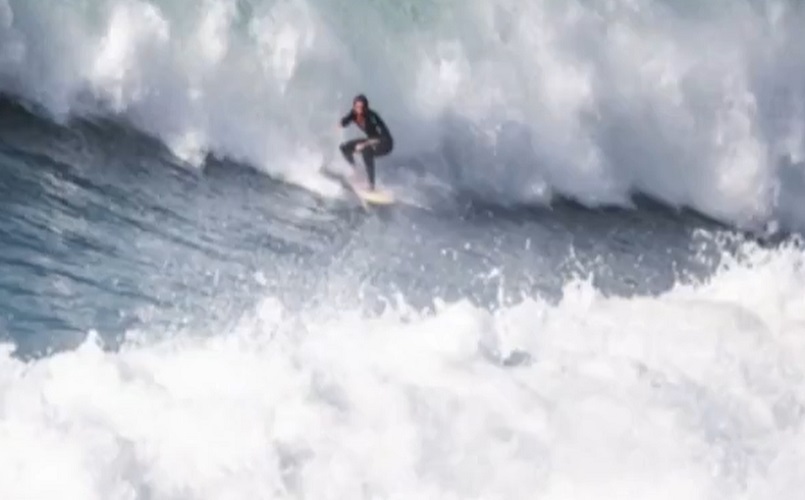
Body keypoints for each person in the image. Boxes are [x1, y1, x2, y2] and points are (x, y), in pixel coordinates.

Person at [338, 94, 393, 190]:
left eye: (361, 107)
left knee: (366, 151)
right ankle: (356, 171)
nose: (359, 109)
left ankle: (371, 185)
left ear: (366, 107)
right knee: (344, 148)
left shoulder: (372, 117)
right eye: (356, 107)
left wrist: (364, 144)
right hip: (371, 141)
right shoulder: (354, 113)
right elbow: (346, 120)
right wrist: (340, 124)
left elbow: (381, 137)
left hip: (385, 143)